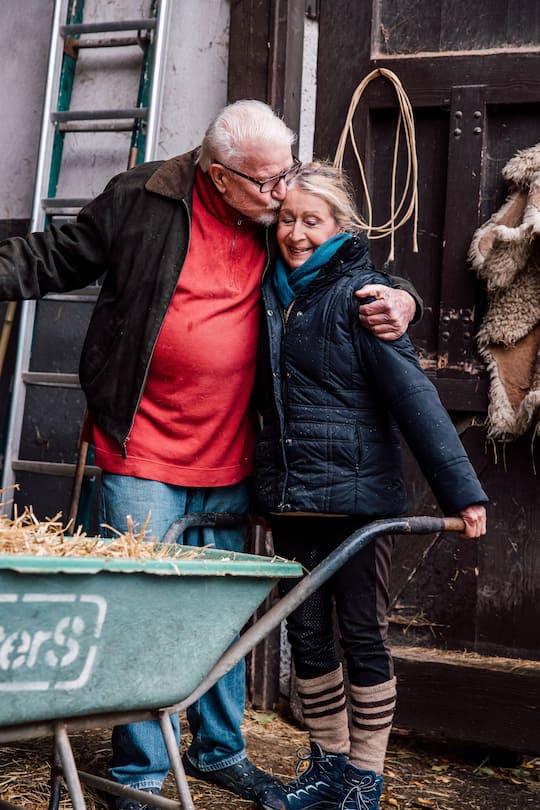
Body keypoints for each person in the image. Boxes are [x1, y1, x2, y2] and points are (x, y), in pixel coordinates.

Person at [0, 101, 420, 809]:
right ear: (219, 176)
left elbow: (351, 266)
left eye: (288, 174)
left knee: (219, 614)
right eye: (268, 181)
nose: (284, 193)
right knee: (142, 610)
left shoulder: (278, 223)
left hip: (232, 449)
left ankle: (219, 750)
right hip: (143, 445)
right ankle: (137, 774)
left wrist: (403, 299)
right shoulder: (143, 198)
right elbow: (52, 257)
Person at [253, 161, 488, 810]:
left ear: (340, 226)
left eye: (312, 220)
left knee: (361, 633)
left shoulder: (364, 296)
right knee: (305, 633)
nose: (296, 233)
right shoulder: (273, 290)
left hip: (358, 501)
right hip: (293, 496)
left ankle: (365, 779)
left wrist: (462, 493)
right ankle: (326, 768)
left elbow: (413, 394)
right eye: (288, 218)